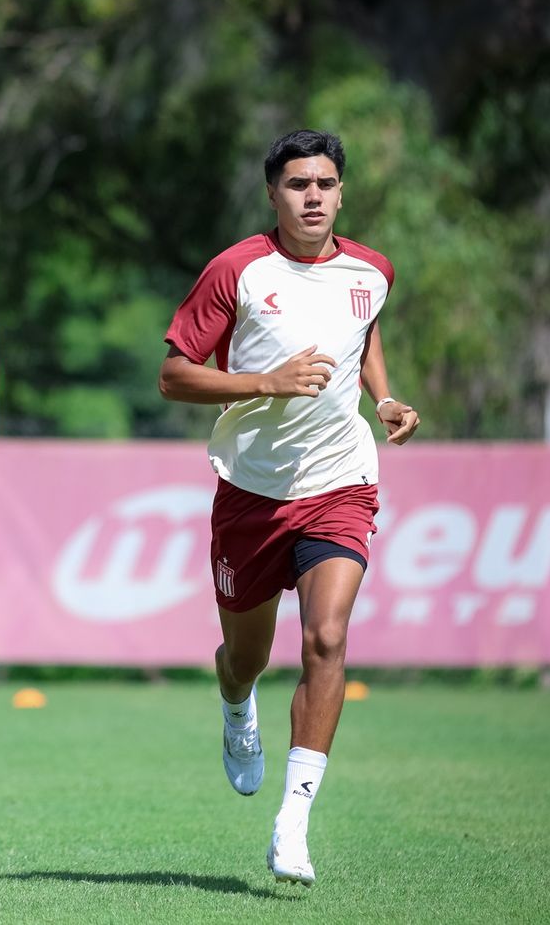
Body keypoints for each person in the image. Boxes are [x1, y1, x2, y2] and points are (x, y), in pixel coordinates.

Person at [159, 130, 420, 886]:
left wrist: (386, 396)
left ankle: (293, 821)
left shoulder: (373, 271)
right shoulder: (236, 271)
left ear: (342, 192)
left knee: (327, 637)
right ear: (272, 193)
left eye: (326, 183)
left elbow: (362, 333)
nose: (313, 195)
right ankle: (237, 703)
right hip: (250, 493)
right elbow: (174, 375)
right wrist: (266, 382)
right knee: (246, 657)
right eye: (298, 183)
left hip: (341, 483)